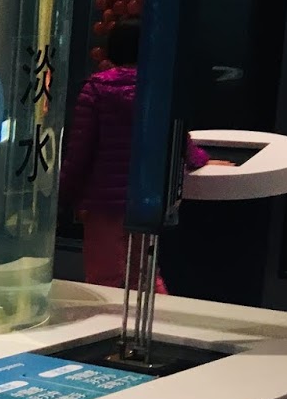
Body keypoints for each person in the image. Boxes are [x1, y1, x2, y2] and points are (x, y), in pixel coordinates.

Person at [59, 20, 209, 291]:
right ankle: (160, 318)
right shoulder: (159, 90)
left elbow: (80, 151)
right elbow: (179, 139)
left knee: (104, 279)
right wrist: (200, 159)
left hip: (104, 202)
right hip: (147, 200)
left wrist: (64, 194)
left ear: (111, 50)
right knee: (146, 278)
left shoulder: (96, 90)